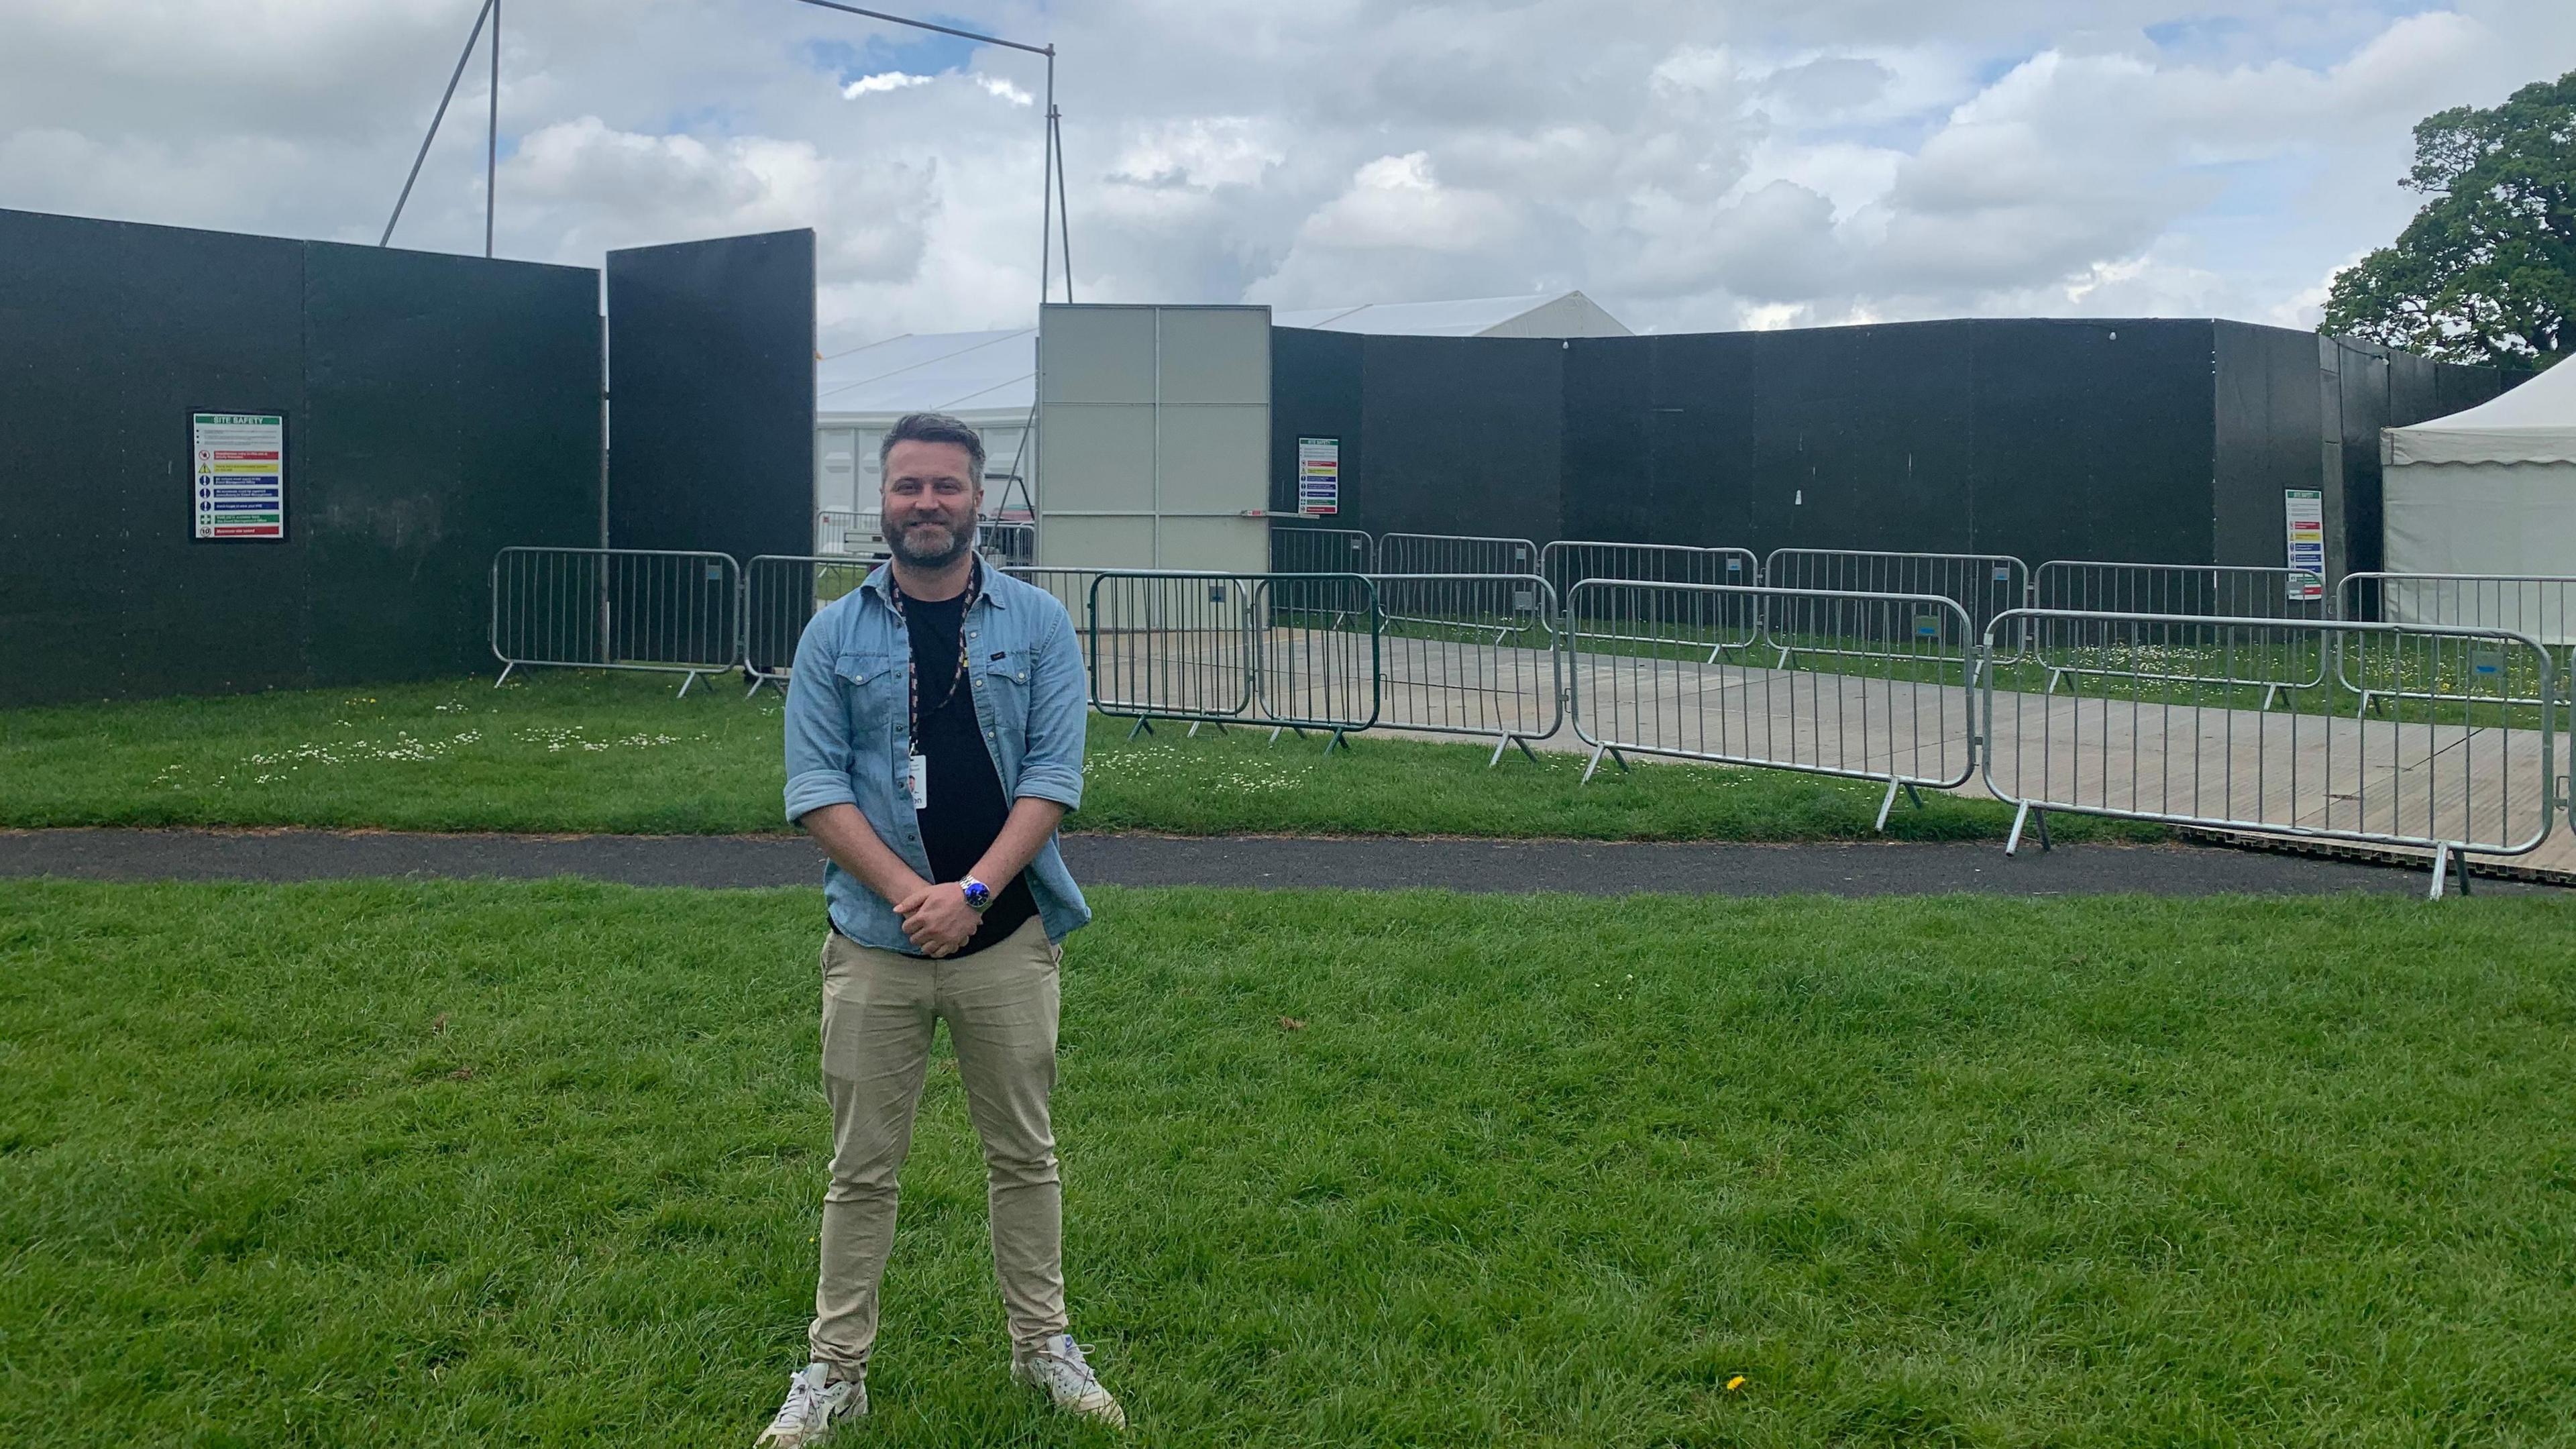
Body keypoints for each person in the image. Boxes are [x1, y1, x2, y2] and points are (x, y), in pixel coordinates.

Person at [757, 411, 1120, 1444]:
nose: (926, 504)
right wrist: (912, 900)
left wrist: (966, 898)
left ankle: (1042, 1344)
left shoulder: (1039, 624)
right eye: (908, 486)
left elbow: (1053, 778)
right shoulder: (834, 631)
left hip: (1005, 941)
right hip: (874, 946)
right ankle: (835, 1372)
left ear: (979, 500)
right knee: (861, 1167)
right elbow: (814, 789)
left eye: (946, 487)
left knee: (1025, 1155)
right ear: (883, 500)